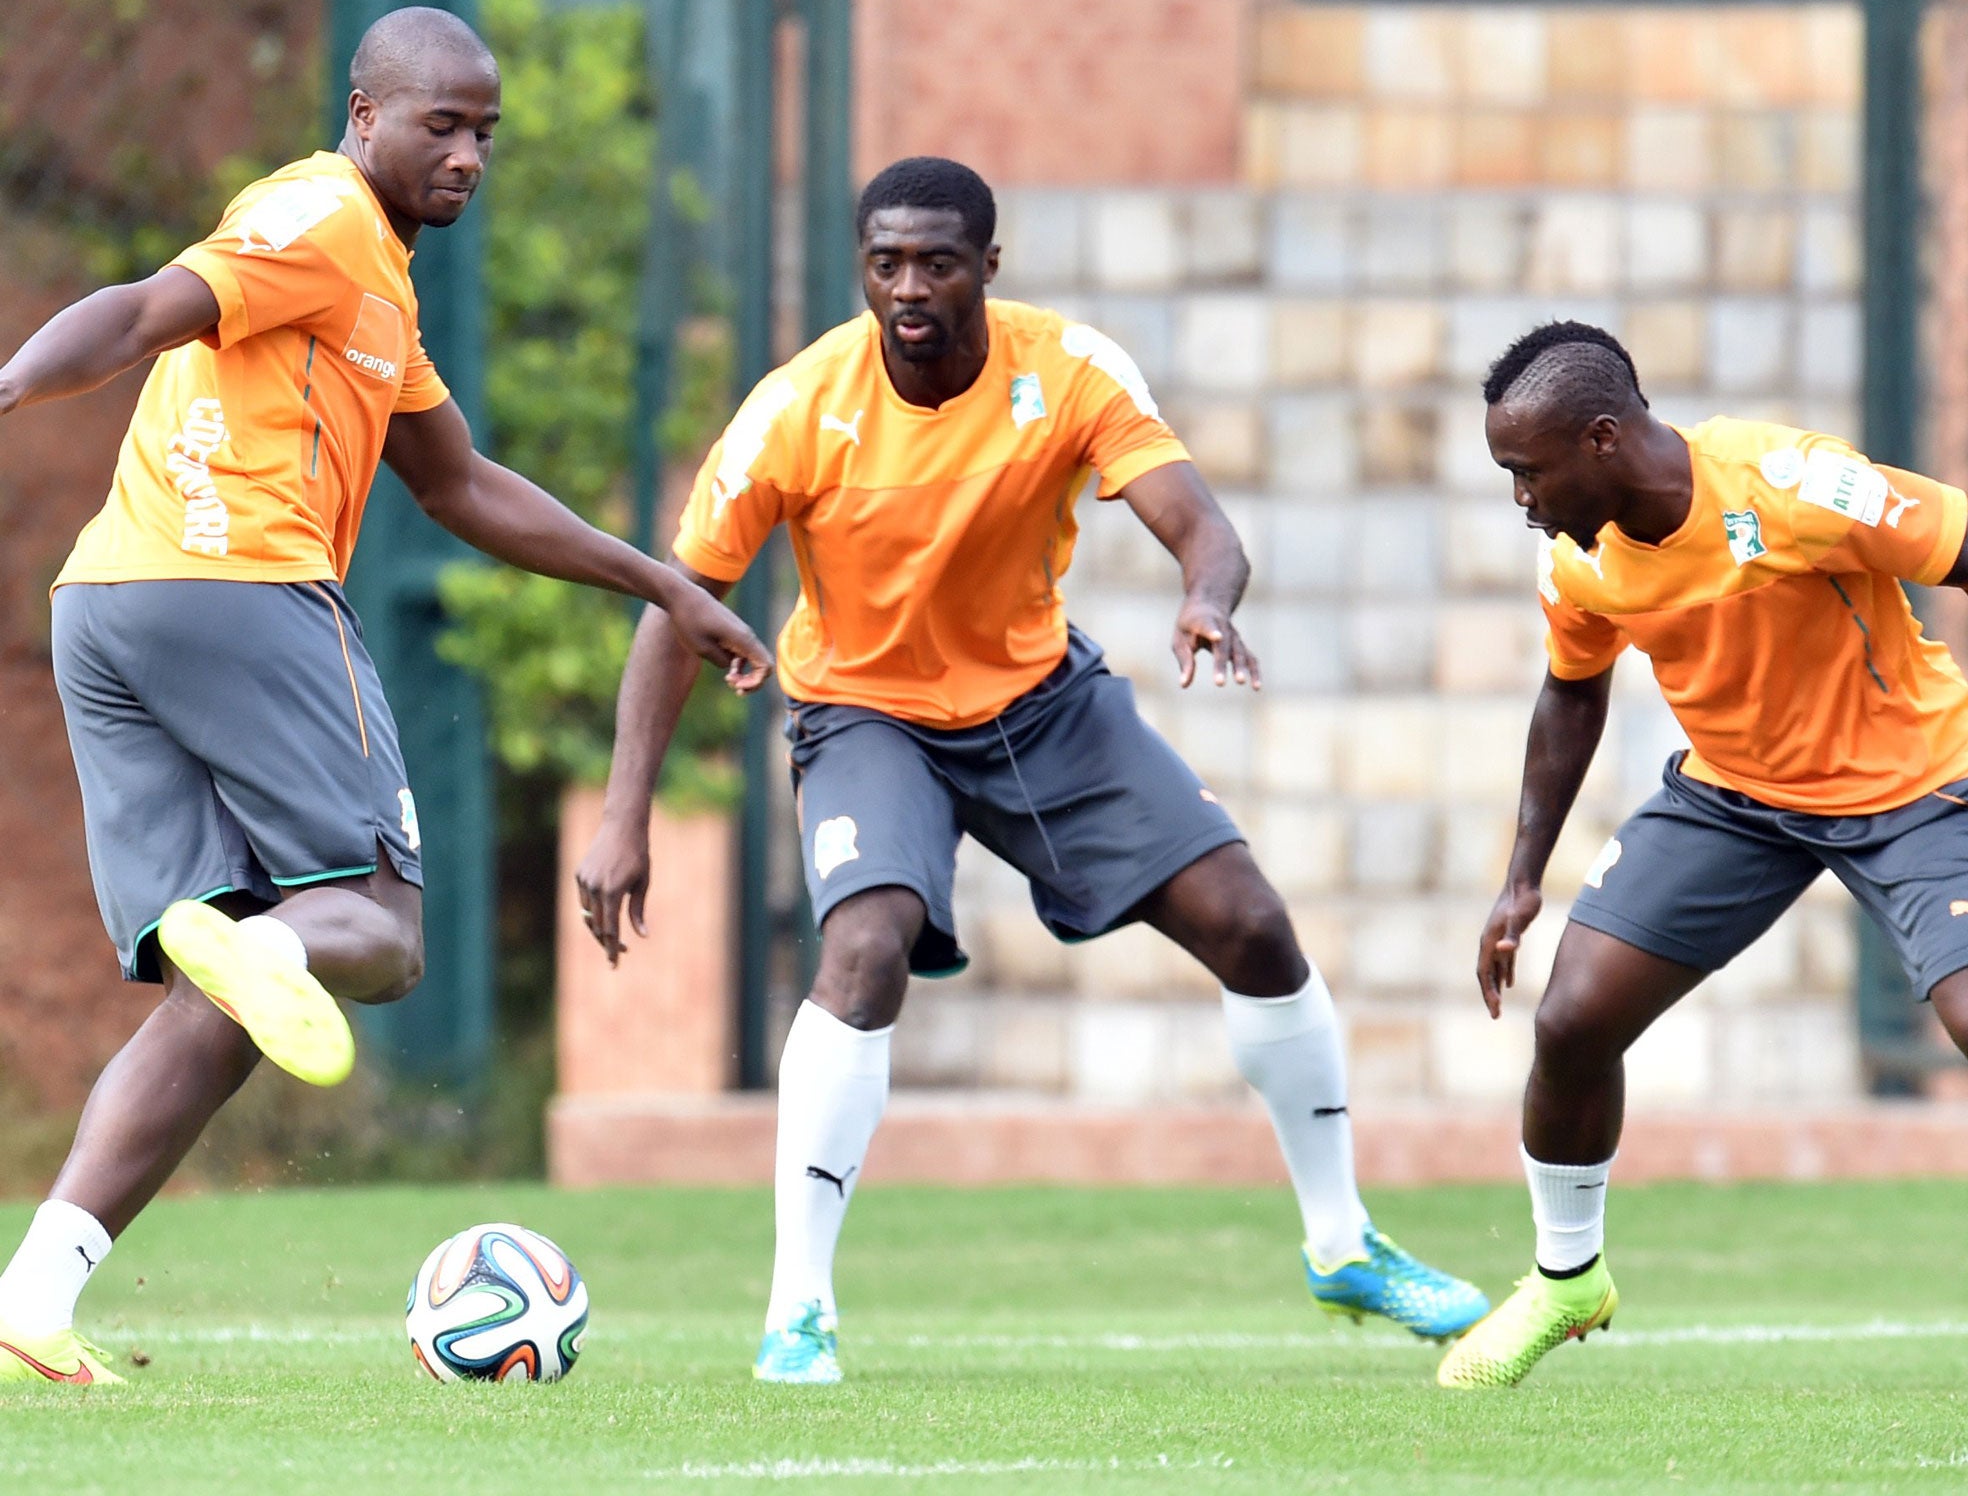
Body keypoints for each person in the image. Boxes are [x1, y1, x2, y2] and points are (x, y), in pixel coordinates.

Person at [576, 155, 1489, 1386]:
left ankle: (1343, 1246)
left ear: (986, 269)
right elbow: (676, 604)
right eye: (885, 261)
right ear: (862, 269)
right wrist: (623, 813)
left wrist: (1205, 602)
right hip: (865, 717)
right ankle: (798, 1313)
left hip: (1039, 707)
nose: (909, 285)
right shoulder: (795, 408)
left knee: (1252, 924)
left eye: (937, 262)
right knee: (862, 947)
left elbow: (1198, 524)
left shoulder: (1065, 369)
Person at [0, 7, 769, 1386]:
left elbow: (461, 485)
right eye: (441, 124)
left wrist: (663, 583)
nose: (468, 153)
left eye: (486, 132)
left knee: (218, 985)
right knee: (389, 936)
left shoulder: (373, 294)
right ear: (366, 114)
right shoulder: (321, 219)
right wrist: (7, 384)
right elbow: (139, 310)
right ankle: (279, 950)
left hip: (104, 610)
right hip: (235, 591)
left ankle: (33, 1300)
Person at [1437, 320, 1968, 1390]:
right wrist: (1520, 875)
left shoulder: (1789, 484)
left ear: (1598, 440)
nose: (1520, 500)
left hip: (1909, 789)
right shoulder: (1579, 565)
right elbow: (1569, 692)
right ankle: (1565, 1278)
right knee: (1572, 1020)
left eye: (1525, 473)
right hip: (1732, 799)